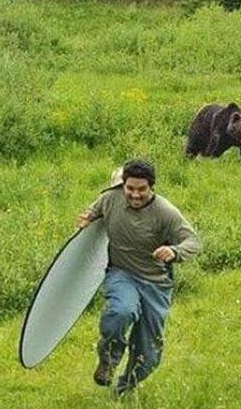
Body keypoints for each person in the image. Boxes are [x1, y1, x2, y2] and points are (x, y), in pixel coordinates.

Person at [77, 159, 202, 396]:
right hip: (122, 273)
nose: (135, 194)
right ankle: (108, 360)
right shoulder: (109, 199)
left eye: (142, 189)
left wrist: (174, 251)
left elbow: (193, 242)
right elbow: (93, 213)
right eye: (130, 188)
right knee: (120, 312)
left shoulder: (165, 212)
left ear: (152, 187)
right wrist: (87, 220)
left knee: (148, 354)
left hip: (155, 283)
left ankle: (124, 391)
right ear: (123, 185)